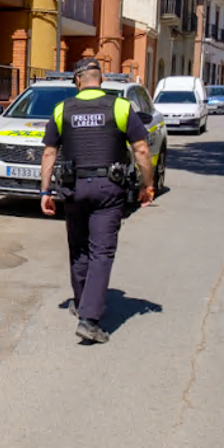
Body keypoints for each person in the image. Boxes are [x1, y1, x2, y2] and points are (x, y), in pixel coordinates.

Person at [39, 58, 154, 344]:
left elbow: (49, 154)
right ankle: (89, 320)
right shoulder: (120, 106)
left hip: (73, 189)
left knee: (79, 249)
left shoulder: (61, 109)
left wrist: (45, 192)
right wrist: (147, 185)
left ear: (78, 81)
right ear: (100, 80)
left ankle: (81, 303)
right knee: (101, 252)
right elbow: (141, 150)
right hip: (108, 190)